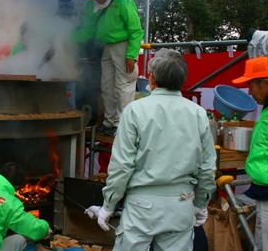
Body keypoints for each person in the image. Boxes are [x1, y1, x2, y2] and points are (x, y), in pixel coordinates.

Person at [85, 49, 216, 250]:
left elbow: (122, 166)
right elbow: (207, 167)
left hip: (141, 207)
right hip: (180, 205)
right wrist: (201, 202)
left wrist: (108, 206)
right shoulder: (198, 114)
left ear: (151, 79)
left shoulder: (135, 111)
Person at [72, 0, 144, 136]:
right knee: (107, 86)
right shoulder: (91, 6)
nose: (96, 0)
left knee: (123, 85)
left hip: (124, 46)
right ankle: (109, 121)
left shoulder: (123, 2)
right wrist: (68, 39)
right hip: (107, 47)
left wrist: (131, 55)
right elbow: (87, 30)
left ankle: (123, 124)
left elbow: (136, 31)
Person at [232, 56, 268, 251]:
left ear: (265, 82)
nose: (249, 91)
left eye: (251, 85)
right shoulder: (265, 111)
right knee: (261, 240)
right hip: (262, 187)